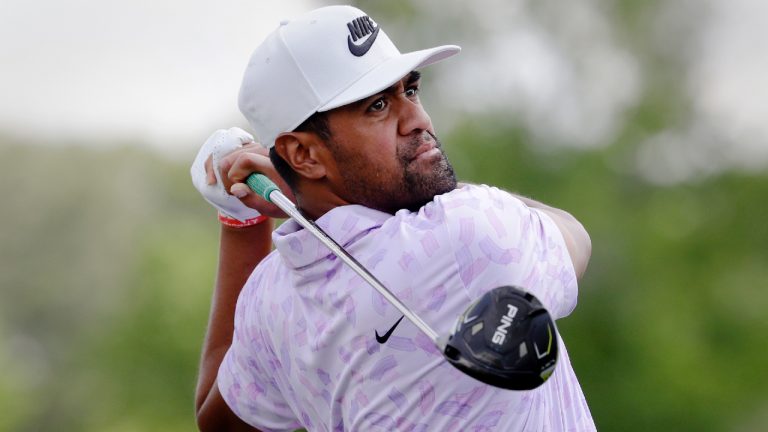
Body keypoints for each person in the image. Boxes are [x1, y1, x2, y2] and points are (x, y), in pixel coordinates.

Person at [191, 5, 595, 431]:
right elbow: (575, 235)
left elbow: (218, 421)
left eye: (412, 90)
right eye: (379, 105)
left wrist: (240, 219)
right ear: (303, 155)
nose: (417, 119)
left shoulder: (269, 300)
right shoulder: (469, 231)